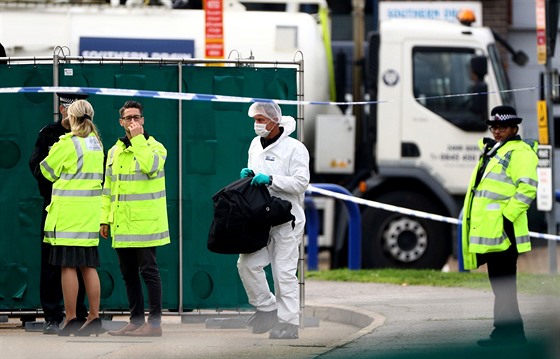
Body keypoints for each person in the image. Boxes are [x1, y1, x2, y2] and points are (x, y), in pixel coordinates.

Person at [461, 105, 539, 347]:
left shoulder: (519, 152)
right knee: (501, 285)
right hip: (494, 230)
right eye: (494, 127)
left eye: (502, 127)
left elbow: (527, 188)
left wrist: (506, 217)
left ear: (514, 128)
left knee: (504, 285)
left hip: (504, 231)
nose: (497, 131)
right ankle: (509, 335)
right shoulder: (494, 151)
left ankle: (510, 337)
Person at [237, 101, 310, 339]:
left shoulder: (295, 148)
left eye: (261, 120)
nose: (257, 125)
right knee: (247, 264)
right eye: (255, 120)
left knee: (283, 272)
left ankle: (289, 323)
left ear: (274, 121)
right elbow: (253, 173)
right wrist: (249, 177)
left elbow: (301, 182)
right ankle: (267, 308)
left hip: (287, 218)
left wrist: (271, 179)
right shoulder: (254, 145)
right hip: (261, 217)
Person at [100, 100, 170, 337]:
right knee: (128, 275)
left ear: (143, 120)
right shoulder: (114, 151)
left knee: (149, 272)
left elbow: (150, 166)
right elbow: (108, 189)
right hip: (121, 223)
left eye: (136, 117)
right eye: (128, 118)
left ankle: (155, 324)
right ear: (121, 122)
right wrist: (104, 219)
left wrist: (138, 139)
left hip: (146, 224)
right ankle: (136, 321)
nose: (132, 121)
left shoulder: (156, 148)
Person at [39, 99, 105, 337]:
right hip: (89, 214)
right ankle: (94, 317)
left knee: (67, 266)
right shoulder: (97, 144)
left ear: (71, 118)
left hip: (68, 214)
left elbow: (46, 171)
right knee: (88, 266)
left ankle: (70, 318)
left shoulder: (67, 143)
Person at [29, 92, 90, 334]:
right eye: (69, 107)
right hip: (55, 207)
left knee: (81, 263)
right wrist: (55, 187)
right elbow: (37, 166)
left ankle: (80, 314)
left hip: (81, 210)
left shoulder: (89, 137)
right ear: (62, 110)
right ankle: (52, 316)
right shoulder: (49, 134)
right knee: (52, 262)